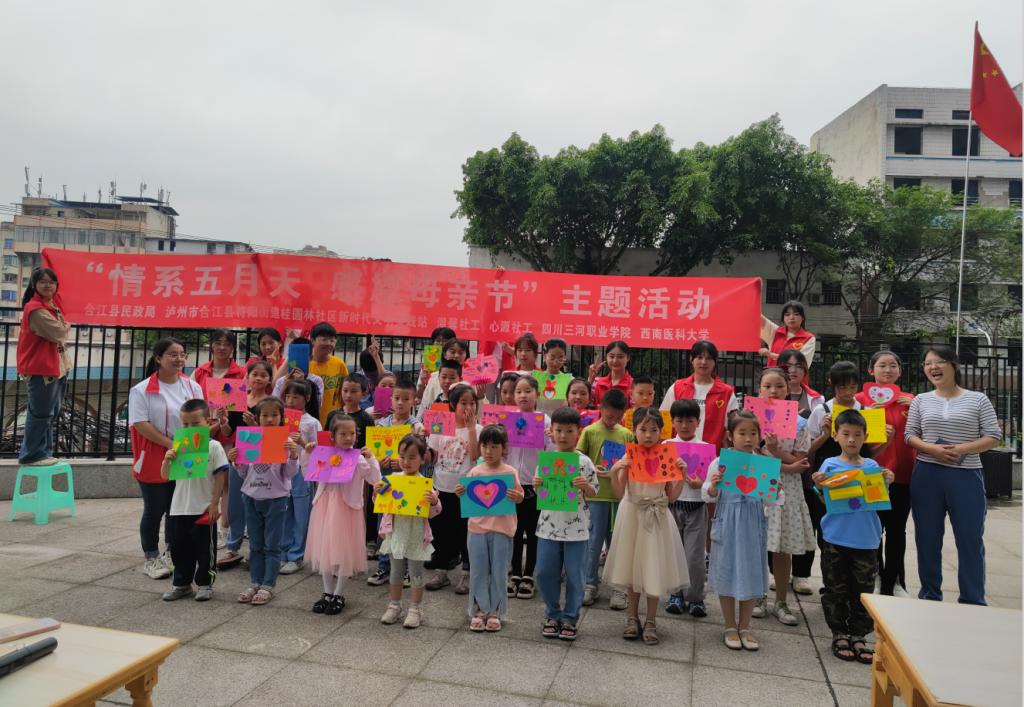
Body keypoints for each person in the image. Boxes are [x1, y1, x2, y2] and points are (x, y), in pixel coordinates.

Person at [905, 345, 1000, 606]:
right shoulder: (921, 400)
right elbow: (910, 435)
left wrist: (961, 449)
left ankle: (972, 599)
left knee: (970, 539)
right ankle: (929, 595)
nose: (933, 367)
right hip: (927, 475)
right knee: (927, 538)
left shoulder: (978, 399)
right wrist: (932, 449)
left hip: (966, 476)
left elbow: (993, 436)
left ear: (954, 365)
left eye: (939, 362)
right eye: (928, 363)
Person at [812, 409, 895, 664]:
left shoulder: (872, 467)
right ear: (835, 435)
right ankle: (839, 633)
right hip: (835, 538)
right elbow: (823, 500)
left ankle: (859, 635)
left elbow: (879, 498)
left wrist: (887, 482)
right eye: (846, 434)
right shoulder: (830, 465)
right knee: (835, 588)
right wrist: (819, 485)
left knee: (864, 590)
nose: (851, 439)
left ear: (865, 437)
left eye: (857, 435)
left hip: (866, 539)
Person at [603, 408, 688, 645]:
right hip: (632, 514)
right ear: (634, 430)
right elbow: (618, 492)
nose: (648, 435)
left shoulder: (665, 457)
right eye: (643, 429)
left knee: (653, 569)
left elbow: (671, 497)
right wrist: (616, 470)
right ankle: (632, 618)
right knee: (631, 570)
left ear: (661, 432)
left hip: (657, 516)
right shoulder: (629, 457)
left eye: (653, 430)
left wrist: (681, 475)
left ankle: (651, 620)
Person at [129, 338, 204, 580]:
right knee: (155, 509)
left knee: (177, 508)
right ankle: (151, 556)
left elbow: (200, 419)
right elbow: (140, 423)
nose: (179, 359)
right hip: (154, 453)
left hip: (187, 454)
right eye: (173, 354)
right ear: (158, 358)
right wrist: (170, 444)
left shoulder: (193, 387)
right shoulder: (141, 390)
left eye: (182, 354)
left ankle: (172, 552)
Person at [801, 360, 873, 590]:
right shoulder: (822, 410)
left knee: (855, 525)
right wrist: (825, 433)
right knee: (826, 528)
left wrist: (888, 439)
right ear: (832, 384)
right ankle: (831, 580)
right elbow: (807, 448)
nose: (848, 392)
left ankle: (853, 580)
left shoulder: (866, 411)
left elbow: (872, 451)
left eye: (852, 387)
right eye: (842, 387)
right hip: (829, 477)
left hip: (858, 478)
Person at [704, 410, 770, 652]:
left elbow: (772, 500)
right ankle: (730, 625)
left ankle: (745, 626)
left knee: (751, 571)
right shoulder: (720, 462)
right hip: (728, 524)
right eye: (742, 433)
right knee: (726, 570)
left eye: (753, 433)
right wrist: (713, 486)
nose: (748, 438)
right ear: (730, 435)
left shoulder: (762, 464)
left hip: (752, 525)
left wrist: (776, 489)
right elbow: (708, 494)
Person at [307, 413, 382, 615]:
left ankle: (339, 593)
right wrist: (309, 453)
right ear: (332, 436)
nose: (349, 438)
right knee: (325, 550)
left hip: (347, 509)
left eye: (352, 434)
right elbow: (309, 472)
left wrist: (371, 458)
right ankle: (327, 592)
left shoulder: (358, 458)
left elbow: (374, 478)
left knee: (344, 551)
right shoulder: (324, 453)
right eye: (343, 434)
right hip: (325, 506)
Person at [534, 407, 599, 641]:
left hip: (577, 530)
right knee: (544, 571)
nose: (563, 435)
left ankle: (570, 617)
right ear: (551, 432)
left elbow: (594, 492)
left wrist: (586, 486)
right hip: (547, 528)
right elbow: (541, 491)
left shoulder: (584, 462)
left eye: (569, 431)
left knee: (575, 575)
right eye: (559, 430)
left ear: (578, 433)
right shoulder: (547, 460)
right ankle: (552, 614)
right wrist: (537, 485)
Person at [854, 350, 916, 596]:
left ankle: (895, 580)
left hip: (903, 475)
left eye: (893, 365)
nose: (888, 370)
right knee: (874, 528)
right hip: (874, 475)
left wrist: (917, 408)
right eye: (882, 365)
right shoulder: (860, 400)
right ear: (871, 370)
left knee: (897, 529)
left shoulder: (911, 400)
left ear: (900, 371)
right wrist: (868, 412)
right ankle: (877, 576)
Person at [758, 367, 814, 627]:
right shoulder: (751, 419)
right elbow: (746, 456)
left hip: (786, 490)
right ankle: (757, 596)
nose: (773, 391)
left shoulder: (800, 422)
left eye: (779, 386)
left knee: (782, 547)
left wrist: (774, 451)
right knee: (756, 543)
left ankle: (781, 600)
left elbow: (801, 461)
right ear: (759, 389)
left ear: (787, 388)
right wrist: (787, 466)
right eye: (767, 386)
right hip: (756, 485)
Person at [159, 398, 229, 602]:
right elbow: (165, 476)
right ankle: (181, 584)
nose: (190, 428)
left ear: (208, 422)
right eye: (185, 424)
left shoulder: (214, 446)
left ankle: (205, 583)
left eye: (196, 423)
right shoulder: (179, 446)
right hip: (179, 507)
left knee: (205, 549)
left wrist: (214, 503)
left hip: (203, 507)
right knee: (179, 549)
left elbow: (220, 476)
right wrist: (167, 460)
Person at [456, 424, 524, 632]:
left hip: (502, 529)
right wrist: (460, 492)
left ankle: (495, 610)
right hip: (477, 529)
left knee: (499, 571)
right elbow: (468, 497)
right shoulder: (475, 471)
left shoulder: (510, 472)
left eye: (494, 446)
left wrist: (517, 496)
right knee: (478, 570)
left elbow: (520, 496)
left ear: (504, 448)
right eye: (485, 446)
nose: (488, 451)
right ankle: (479, 609)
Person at [232, 397, 299, 606]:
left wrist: (293, 454)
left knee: (272, 545)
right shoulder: (250, 438)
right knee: (255, 544)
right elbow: (244, 473)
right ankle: (255, 582)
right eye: (265, 415)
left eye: (274, 415)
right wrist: (236, 460)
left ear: (281, 418)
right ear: (258, 417)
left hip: (276, 499)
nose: (270, 419)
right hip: (251, 496)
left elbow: (289, 474)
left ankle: (268, 585)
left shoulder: (285, 441)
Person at [376, 434, 442, 629]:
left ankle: (415, 609)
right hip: (396, 533)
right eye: (403, 456)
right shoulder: (392, 480)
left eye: (412, 457)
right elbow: (380, 504)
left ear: (422, 458)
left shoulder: (425, 484)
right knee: (396, 571)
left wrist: (434, 501)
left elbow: (434, 512)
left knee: (416, 573)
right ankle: (394, 606)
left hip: (416, 534)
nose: (406, 462)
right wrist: (377, 492)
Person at [577, 388, 634, 610]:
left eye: (617, 417)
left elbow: (632, 463)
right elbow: (578, 458)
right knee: (592, 542)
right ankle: (590, 583)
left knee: (618, 543)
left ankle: (619, 588)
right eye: (609, 415)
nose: (613, 420)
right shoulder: (590, 431)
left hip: (619, 498)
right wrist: (592, 468)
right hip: (596, 496)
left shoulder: (626, 435)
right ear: (601, 408)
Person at [368, 379, 427, 587]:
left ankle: (407, 570)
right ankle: (384, 566)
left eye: (405, 399)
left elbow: (422, 455)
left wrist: (401, 462)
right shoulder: (381, 425)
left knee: (408, 525)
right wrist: (380, 461)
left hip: (409, 483)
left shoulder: (416, 427)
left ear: (414, 401)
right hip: (387, 481)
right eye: (396, 398)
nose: (400, 402)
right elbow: (373, 455)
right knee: (385, 524)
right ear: (391, 399)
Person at [215, 360, 274, 570]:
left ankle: (258, 549)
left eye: (263, 375)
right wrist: (222, 421)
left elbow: (274, 434)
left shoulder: (272, 403)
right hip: (239, 457)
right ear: (247, 377)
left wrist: (255, 426)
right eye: (254, 374)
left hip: (262, 460)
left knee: (259, 504)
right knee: (235, 503)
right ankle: (233, 547)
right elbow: (228, 432)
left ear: (270, 379)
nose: (258, 378)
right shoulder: (237, 398)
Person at [425, 384, 481, 593]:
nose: (468, 407)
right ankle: (441, 570)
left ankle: (467, 572)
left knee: (465, 531)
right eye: (463, 403)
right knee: (441, 531)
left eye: (472, 403)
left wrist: (472, 428)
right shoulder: (442, 426)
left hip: (466, 489)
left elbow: (475, 455)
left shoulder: (479, 429)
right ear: (453, 405)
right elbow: (432, 457)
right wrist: (423, 443)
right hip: (441, 487)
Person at [17, 267, 71, 466]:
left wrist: (64, 325)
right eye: (43, 282)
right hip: (42, 369)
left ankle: (43, 453)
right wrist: (67, 325)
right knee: (40, 413)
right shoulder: (36, 309)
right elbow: (59, 333)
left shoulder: (50, 305)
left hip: (55, 367)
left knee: (49, 413)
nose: (48, 285)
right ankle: (32, 455)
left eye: (51, 282)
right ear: (34, 285)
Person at [506, 375, 553, 600]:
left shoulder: (545, 422)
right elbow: (503, 451)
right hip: (512, 484)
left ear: (537, 394)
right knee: (514, 531)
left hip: (535, 484)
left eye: (528, 391)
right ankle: (514, 572)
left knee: (533, 532)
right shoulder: (508, 419)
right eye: (519, 392)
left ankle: (528, 575)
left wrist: (550, 438)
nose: (523, 395)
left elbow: (551, 454)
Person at [665, 399, 712, 618]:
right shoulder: (666, 446)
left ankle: (695, 597)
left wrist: (700, 484)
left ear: (698, 422)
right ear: (673, 422)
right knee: (673, 552)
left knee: (694, 555)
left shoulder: (705, 449)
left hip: (696, 507)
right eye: (679, 420)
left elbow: (712, 483)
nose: (684, 425)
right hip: (672, 505)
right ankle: (675, 593)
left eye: (690, 421)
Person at [659, 340, 738, 451]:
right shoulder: (677, 387)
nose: (704, 362)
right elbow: (664, 421)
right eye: (699, 357)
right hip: (677, 454)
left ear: (715, 362)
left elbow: (734, 426)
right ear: (691, 359)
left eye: (709, 358)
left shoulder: (726, 392)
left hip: (712, 455)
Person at [279, 379, 323, 575]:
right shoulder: (280, 418)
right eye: (287, 396)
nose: (290, 401)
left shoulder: (312, 422)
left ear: (306, 398)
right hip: (282, 470)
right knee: (284, 511)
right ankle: (283, 551)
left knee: (301, 514)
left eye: (295, 397)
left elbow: (320, 452)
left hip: (303, 473)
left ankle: (297, 555)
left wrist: (303, 442)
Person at [308, 322, 350, 427]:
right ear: (312, 340)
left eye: (332, 340)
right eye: (324, 339)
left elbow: (344, 391)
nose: (329, 343)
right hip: (308, 421)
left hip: (333, 421)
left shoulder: (339, 364)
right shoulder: (304, 363)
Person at [760, 300, 816, 368]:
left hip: (793, 375)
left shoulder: (809, 338)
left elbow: (802, 362)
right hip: (773, 374)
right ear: (783, 318)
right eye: (787, 314)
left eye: (796, 314)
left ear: (803, 318)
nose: (791, 317)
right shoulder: (776, 332)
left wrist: (771, 355)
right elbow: (757, 317)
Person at [419, 338, 470, 411]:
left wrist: (480, 395)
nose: (456, 355)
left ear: (466, 356)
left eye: (461, 353)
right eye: (452, 352)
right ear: (444, 354)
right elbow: (426, 402)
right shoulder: (434, 377)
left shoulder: (471, 379)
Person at [415, 327, 456, 403]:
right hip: (431, 406)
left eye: (445, 341)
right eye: (438, 340)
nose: (441, 344)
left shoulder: (457, 363)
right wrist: (422, 383)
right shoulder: (427, 365)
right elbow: (419, 397)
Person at [777, 348, 823, 416]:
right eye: (788, 366)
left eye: (798, 366)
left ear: (805, 370)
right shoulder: (768, 395)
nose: (793, 370)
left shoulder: (817, 399)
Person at [588, 340, 633, 407]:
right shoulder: (598, 383)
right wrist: (590, 381)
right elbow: (587, 404)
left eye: (620, 357)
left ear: (628, 358)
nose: (615, 360)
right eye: (611, 356)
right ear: (606, 357)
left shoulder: (633, 385)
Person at [536, 338, 569, 414]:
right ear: (545, 356)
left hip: (560, 419)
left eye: (560, 358)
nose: (555, 362)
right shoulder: (535, 378)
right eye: (552, 358)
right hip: (540, 419)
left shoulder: (569, 380)